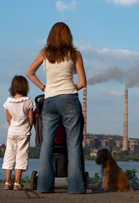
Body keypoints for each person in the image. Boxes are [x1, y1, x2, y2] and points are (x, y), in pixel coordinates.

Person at [26, 22, 90, 194]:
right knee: (74, 144)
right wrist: (70, 89)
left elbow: (30, 73)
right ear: (68, 36)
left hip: (49, 100)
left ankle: (45, 186)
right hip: (69, 99)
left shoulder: (44, 53)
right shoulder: (75, 54)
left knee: (47, 143)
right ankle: (76, 187)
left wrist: (44, 88)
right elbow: (83, 82)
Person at [2, 75, 34, 190]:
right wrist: (28, 128)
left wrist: (13, 126)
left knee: (9, 155)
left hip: (12, 132)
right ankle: (17, 183)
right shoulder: (28, 101)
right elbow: (31, 119)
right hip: (23, 132)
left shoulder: (8, 102)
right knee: (21, 155)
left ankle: (7, 182)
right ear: (25, 87)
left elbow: (8, 119)